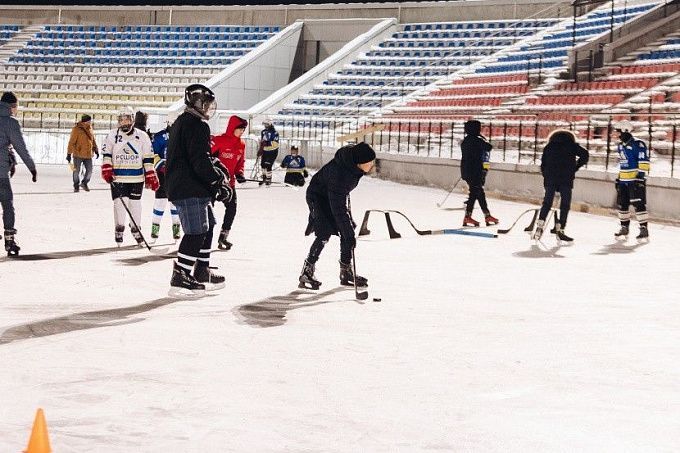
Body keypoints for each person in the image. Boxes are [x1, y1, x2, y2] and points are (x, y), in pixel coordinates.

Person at [166, 84, 232, 297]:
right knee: (196, 231)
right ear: (197, 103)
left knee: (209, 226)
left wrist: (213, 169)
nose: (208, 108)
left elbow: (196, 155)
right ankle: (181, 274)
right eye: (206, 104)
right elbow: (198, 160)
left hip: (189, 185)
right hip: (188, 187)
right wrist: (217, 182)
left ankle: (202, 270)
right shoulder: (196, 125)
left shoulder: (183, 122)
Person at [299, 142, 375, 290]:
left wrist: (347, 230)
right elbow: (337, 205)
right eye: (369, 162)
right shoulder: (340, 174)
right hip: (318, 196)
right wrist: (347, 230)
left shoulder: (353, 166)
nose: (372, 164)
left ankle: (345, 272)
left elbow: (341, 195)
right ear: (360, 162)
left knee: (347, 232)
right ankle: (307, 271)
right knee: (324, 233)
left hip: (334, 195)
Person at [100, 106, 158, 246]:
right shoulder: (112, 135)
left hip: (136, 177)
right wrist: (107, 168)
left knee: (135, 204)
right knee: (119, 204)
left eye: (127, 119)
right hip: (118, 177)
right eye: (122, 119)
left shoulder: (142, 135)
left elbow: (148, 156)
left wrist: (150, 173)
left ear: (132, 120)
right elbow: (107, 154)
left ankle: (136, 230)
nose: (124, 122)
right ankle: (119, 229)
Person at [532, 129, 589, 241]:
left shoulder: (549, 146)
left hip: (550, 178)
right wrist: (575, 167)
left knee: (547, 203)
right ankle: (561, 228)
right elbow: (585, 155)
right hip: (566, 178)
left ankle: (540, 224)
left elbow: (543, 164)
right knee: (565, 205)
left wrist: (547, 176)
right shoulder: (572, 145)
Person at [0, 91, 37, 256]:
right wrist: (32, 168)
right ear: (12, 106)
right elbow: (20, 147)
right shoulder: (10, 123)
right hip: (1, 173)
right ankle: (9, 241)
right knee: (7, 204)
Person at [210, 115, 248, 250]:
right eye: (240, 129)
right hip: (214, 183)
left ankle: (223, 237)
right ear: (232, 128)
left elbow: (240, 162)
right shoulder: (218, 140)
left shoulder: (242, 144)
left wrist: (240, 173)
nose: (241, 132)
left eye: (243, 130)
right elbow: (206, 157)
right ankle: (203, 237)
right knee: (208, 211)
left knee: (232, 209)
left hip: (229, 184)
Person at [614, 122, 650, 240]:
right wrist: (619, 178)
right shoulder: (620, 146)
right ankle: (624, 228)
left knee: (638, 204)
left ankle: (644, 229)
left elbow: (644, 161)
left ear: (625, 130)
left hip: (635, 181)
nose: (617, 134)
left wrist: (640, 177)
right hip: (623, 181)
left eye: (619, 131)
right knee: (622, 204)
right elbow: (622, 164)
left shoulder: (638, 144)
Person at [460, 120, 498, 227]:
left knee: (479, 193)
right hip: (475, 172)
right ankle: (468, 216)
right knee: (474, 194)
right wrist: (481, 137)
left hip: (467, 171)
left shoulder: (465, 141)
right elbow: (489, 147)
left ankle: (487, 215)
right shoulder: (477, 140)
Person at [150, 124, 181, 241]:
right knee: (160, 201)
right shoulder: (159, 136)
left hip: (177, 173)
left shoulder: (183, 135)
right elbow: (152, 153)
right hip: (162, 174)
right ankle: (155, 226)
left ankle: (176, 227)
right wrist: (160, 166)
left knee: (175, 202)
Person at [66, 114, 99, 192]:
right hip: (78, 154)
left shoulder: (90, 128)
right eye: (89, 121)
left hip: (88, 154)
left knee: (90, 170)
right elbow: (71, 142)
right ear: (84, 121)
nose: (90, 122)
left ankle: (84, 183)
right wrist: (69, 154)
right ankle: (76, 185)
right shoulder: (76, 129)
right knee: (76, 171)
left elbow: (93, 140)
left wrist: (96, 149)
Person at [258, 118, 279, 186]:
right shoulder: (263, 132)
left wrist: (267, 143)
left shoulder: (275, 132)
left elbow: (275, 144)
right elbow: (262, 142)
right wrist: (260, 149)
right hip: (265, 151)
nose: (265, 125)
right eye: (265, 124)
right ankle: (264, 178)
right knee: (262, 165)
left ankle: (269, 179)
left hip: (272, 151)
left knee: (268, 165)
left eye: (267, 124)